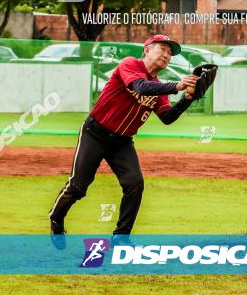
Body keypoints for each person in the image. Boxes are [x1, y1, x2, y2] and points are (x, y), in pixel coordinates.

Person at [48, 35, 198, 242]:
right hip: (95, 133)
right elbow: (140, 87)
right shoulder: (130, 64)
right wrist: (177, 86)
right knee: (78, 187)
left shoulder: (158, 87)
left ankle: (121, 238)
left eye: (170, 53)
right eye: (162, 49)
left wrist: (187, 99)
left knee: (134, 184)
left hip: (122, 142)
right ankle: (56, 217)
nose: (166, 55)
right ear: (146, 50)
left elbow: (167, 117)